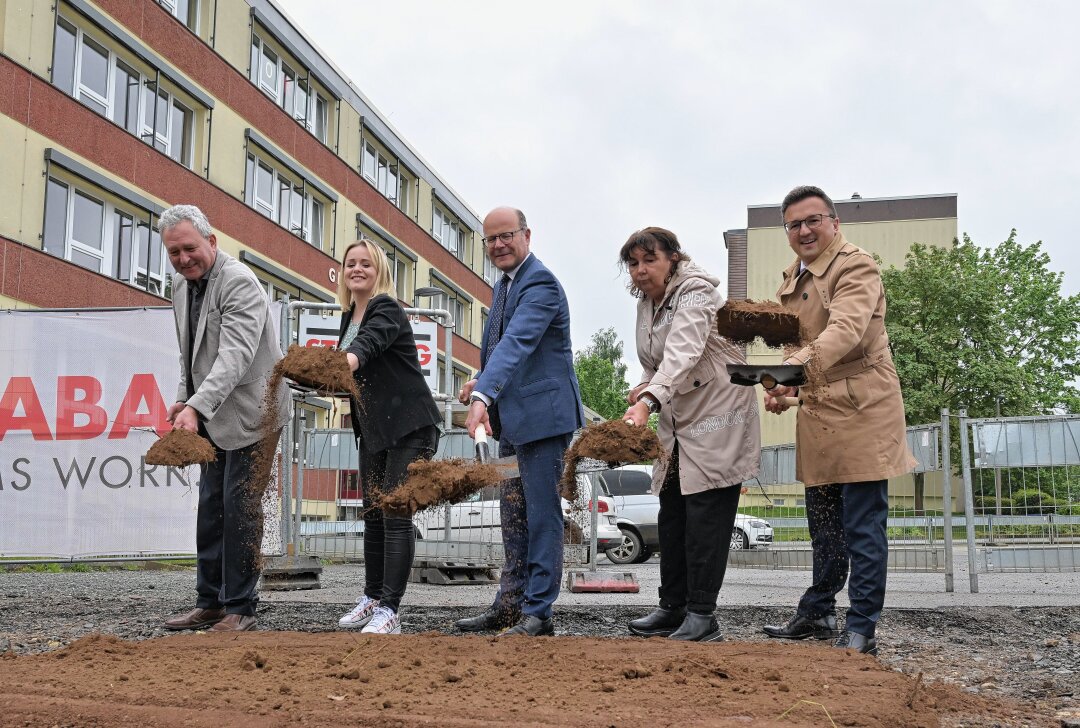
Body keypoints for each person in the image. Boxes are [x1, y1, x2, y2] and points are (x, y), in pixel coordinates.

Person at [760, 186, 917, 656]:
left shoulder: (855, 265)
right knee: (823, 522)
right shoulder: (793, 276)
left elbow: (844, 332)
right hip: (819, 408)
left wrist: (793, 373)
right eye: (794, 224)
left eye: (813, 220)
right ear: (786, 231)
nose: (804, 231)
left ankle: (862, 625)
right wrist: (784, 387)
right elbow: (796, 342)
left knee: (863, 524)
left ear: (834, 222)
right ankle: (819, 610)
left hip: (865, 408)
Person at [618, 228, 761, 642]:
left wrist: (648, 400)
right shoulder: (648, 302)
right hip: (679, 418)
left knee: (705, 516)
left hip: (719, 415)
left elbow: (684, 350)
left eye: (650, 260)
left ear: (673, 259)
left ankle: (703, 615)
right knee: (673, 514)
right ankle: (673, 605)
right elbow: (655, 360)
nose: (641, 270)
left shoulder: (695, 292)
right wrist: (644, 387)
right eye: (633, 263)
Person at [455, 206, 585, 637]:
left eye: (506, 235)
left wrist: (481, 395)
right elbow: (504, 355)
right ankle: (510, 604)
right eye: (490, 239)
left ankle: (538, 612)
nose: (498, 245)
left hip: (544, 422)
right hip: (513, 423)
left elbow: (518, 343)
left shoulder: (540, 283)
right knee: (513, 514)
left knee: (542, 514)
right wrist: (481, 382)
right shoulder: (505, 287)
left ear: (527, 235)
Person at [160, 204, 288, 633]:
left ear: (211, 241)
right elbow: (191, 353)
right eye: (174, 251)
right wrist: (184, 400)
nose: (183, 259)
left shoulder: (240, 284)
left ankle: (241, 609)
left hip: (256, 412)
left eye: (190, 248)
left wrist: (198, 406)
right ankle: (210, 602)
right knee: (211, 507)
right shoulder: (181, 286)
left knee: (240, 507)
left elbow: (234, 357)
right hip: (211, 412)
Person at [334, 239, 442, 635]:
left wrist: (344, 361)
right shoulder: (349, 315)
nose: (357, 269)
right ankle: (373, 596)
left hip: (410, 426)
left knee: (396, 514)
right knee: (374, 514)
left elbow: (368, 346)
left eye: (366, 263)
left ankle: (391, 611)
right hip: (375, 430)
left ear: (379, 271)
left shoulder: (385, 308)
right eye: (351, 264)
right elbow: (348, 371)